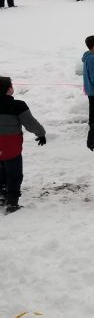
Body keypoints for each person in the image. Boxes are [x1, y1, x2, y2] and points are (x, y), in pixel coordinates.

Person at [0, 76, 46, 214]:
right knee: (14, 174)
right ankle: (12, 202)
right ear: (9, 89)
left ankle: (2, 194)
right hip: (11, 147)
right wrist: (41, 134)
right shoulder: (18, 106)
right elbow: (30, 124)